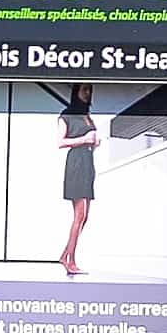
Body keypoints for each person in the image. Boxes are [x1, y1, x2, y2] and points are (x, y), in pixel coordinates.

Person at [57, 84, 101, 276]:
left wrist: (94, 142)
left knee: (85, 217)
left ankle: (64, 255)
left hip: (88, 162)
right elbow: (60, 142)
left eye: (89, 90)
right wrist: (84, 139)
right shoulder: (65, 115)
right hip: (76, 163)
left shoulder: (87, 115)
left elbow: (89, 139)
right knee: (79, 215)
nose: (87, 93)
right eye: (84, 90)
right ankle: (71, 262)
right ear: (76, 92)